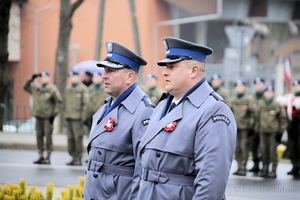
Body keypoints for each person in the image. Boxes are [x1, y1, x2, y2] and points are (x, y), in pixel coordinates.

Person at [137, 37, 236, 200]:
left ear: (194, 71)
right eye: (165, 66)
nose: (164, 72)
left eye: (172, 66)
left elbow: (210, 187)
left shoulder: (213, 110)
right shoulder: (162, 105)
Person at [82, 41, 155, 200]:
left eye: (111, 70)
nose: (103, 75)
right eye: (104, 70)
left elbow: (143, 172)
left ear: (129, 76)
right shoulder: (106, 107)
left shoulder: (143, 111)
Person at [23, 71, 63, 164]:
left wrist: (53, 115)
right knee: (39, 136)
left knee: (48, 137)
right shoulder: (37, 88)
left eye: (45, 77)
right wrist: (32, 78)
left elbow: (59, 102)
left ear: (48, 78)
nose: (43, 79)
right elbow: (25, 86)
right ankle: (40, 155)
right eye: (42, 77)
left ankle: (48, 156)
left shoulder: (52, 89)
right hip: (38, 117)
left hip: (47, 118)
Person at [255, 85, 287, 178]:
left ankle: (273, 170)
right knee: (264, 151)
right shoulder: (260, 104)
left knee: (273, 152)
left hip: (273, 132)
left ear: (273, 93)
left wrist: (280, 132)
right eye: (267, 92)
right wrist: (256, 130)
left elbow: (283, 119)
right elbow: (256, 117)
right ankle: (265, 169)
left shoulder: (277, 104)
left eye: (270, 92)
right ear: (264, 93)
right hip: (263, 131)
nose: (268, 94)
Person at [64, 70, 89, 166]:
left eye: (74, 76)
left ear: (78, 77)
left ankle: (78, 158)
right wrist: (65, 115)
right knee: (70, 139)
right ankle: (73, 157)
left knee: (78, 138)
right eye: (71, 76)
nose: (72, 78)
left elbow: (85, 105)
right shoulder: (68, 88)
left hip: (78, 118)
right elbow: (65, 103)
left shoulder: (82, 89)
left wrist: (83, 118)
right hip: (69, 117)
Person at [230, 80, 254, 176]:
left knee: (244, 147)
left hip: (245, 128)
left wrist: (251, 125)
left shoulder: (248, 99)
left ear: (245, 88)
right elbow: (229, 112)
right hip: (235, 128)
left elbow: (252, 113)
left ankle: (243, 167)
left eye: (241, 86)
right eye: (238, 86)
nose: (239, 88)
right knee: (237, 148)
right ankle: (239, 166)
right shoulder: (233, 99)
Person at [248, 77, 266, 172]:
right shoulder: (252, 98)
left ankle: (264, 165)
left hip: (264, 127)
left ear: (264, 85)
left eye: (260, 84)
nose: (258, 86)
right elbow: (250, 113)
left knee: (263, 147)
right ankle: (256, 164)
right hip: (253, 127)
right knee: (253, 146)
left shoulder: (267, 96)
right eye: (257, 84)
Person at [286, 79, 300, 175]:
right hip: (292, 129)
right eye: (295, 86)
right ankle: (295, 166)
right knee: (293, 148)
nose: (296, 87)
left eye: (298, 86)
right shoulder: (291, 98)